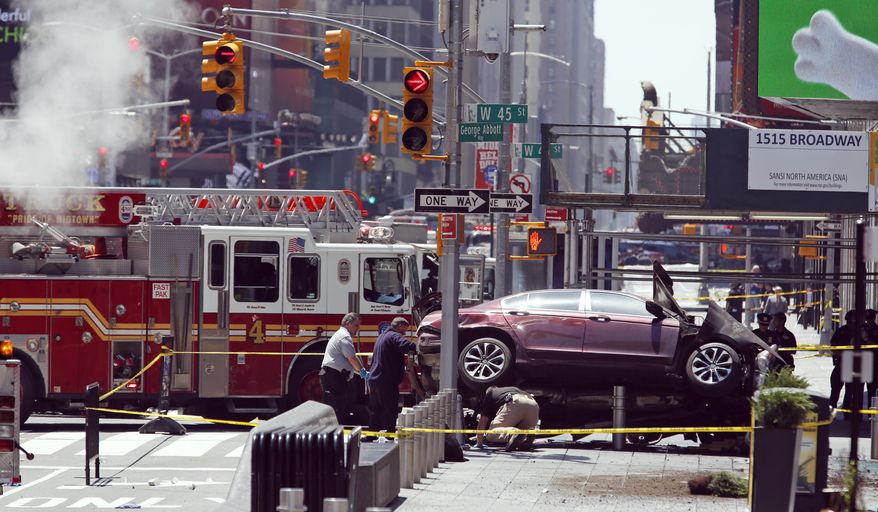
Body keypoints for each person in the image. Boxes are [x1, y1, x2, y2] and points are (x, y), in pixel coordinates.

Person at [368, 317, 423, 433]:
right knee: (390, 409)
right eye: (404, 330)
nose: (404, 333)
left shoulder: (382, 336)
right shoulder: (393, 336)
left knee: (376, 409)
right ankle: (389, 435)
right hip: (386, 380)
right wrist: (420, 345)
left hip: (374, 379)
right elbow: (407, 346)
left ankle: (371, 435)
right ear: (400, 326)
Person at [320, 312, 369, 423]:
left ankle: (332, 432)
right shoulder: (344, 336)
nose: (358, 329)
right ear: (348, 324)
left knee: (335, 406)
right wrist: (362, 371)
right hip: (334, 376)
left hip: (333, 375)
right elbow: (351, 358)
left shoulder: (340, 334)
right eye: (356, 325)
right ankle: (333, 435)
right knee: (336, 407)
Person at [474, 386, 540, 452]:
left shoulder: (490, 394)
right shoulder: (511, 389)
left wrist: (479, 443)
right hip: (533, 403)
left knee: (491, 433)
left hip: (515, 401)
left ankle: (513, 433)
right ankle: (526, 438)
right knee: (522, 433)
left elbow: (482, 422)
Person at [830, 311, 856, 414]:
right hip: (841, 363)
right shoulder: (841, 331)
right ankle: (832, 410)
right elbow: (833, 346)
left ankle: (847, 412)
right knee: (835, 388)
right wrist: (841, 353)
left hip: (854, 364)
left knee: (850, 391)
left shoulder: (859, 332)